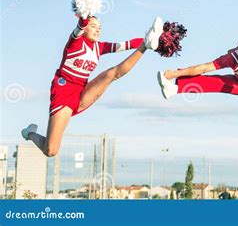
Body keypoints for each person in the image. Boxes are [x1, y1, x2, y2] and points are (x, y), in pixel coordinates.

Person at [21, 16, 184, 156]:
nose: (98, 30)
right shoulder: (74, 42)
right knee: (51, 150)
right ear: (84, 29)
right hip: (63, 91)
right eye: (93, 26)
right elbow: (81, 24)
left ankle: (147, 44)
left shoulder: (99, 47)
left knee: (112, 74)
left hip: (81, 90)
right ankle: (30, 133)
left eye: (100, 27)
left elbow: (127, 44)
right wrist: (84, 14)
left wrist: (158, 40)